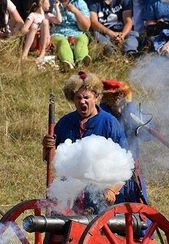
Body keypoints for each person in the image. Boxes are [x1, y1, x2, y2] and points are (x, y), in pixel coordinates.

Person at [42, 71, 130, 213]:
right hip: (69, 195)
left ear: (95, 97)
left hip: (101, 196)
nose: (82, 101)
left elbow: (125, 164)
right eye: (78, 98)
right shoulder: (65, 123)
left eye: (86, 97)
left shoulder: (110, 123)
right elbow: (51, 161)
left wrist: (112, 191)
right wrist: (47, 147)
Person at [100, 79, 149, 204]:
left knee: (138, 209)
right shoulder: (103, 115)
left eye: (121, 96)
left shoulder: (130, 112)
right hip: (111, 170)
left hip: (132, 168)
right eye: (115, 96)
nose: (118, 99)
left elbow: (147, 134)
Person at [50, 0, 91, 71]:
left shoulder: (79, 3)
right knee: (61, 41)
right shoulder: (51, 3)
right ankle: (68, 63)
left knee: (82, 39)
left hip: (76, 32)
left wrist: (76, 11)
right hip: (58, 33)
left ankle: (81, 61)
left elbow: (86, 27)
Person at [20, 0, 61, 65]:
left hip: (45, 43)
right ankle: (24, 55)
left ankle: (42, 53)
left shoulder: (47, 15)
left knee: (45, 22)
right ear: (41, 3)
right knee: (33, 26)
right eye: (48, 2)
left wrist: (56, 7)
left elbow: (59, 20)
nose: (50, 5)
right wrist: (34, 30)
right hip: (34, 42)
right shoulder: (33, 15)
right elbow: (23, 30)